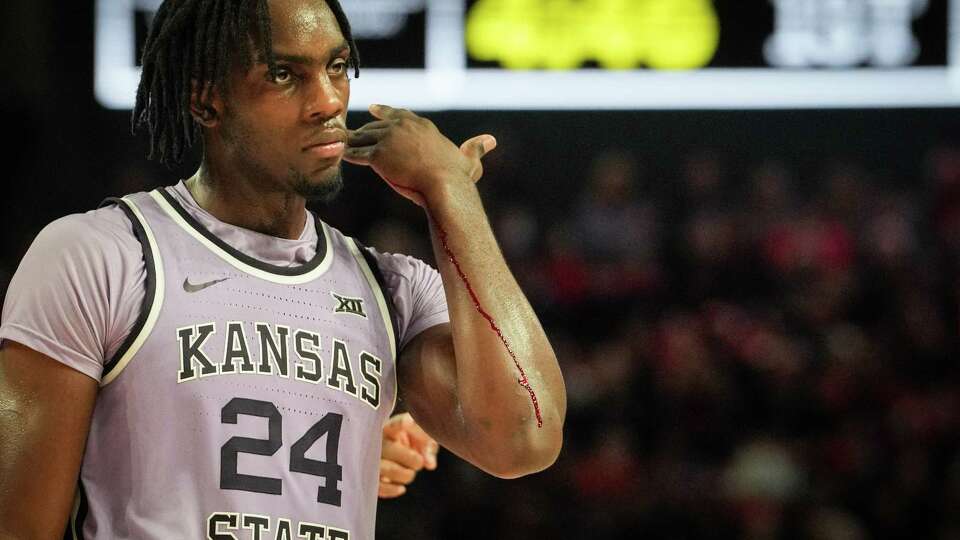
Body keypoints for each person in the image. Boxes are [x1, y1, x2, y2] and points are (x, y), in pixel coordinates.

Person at [0, 0, 566, 538]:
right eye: (283, 75)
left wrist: (451, 195)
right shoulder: (101, 255)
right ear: (207, 101)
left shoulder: (394, 291)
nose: (327, 101)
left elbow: (524, 439)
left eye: (337, 67)